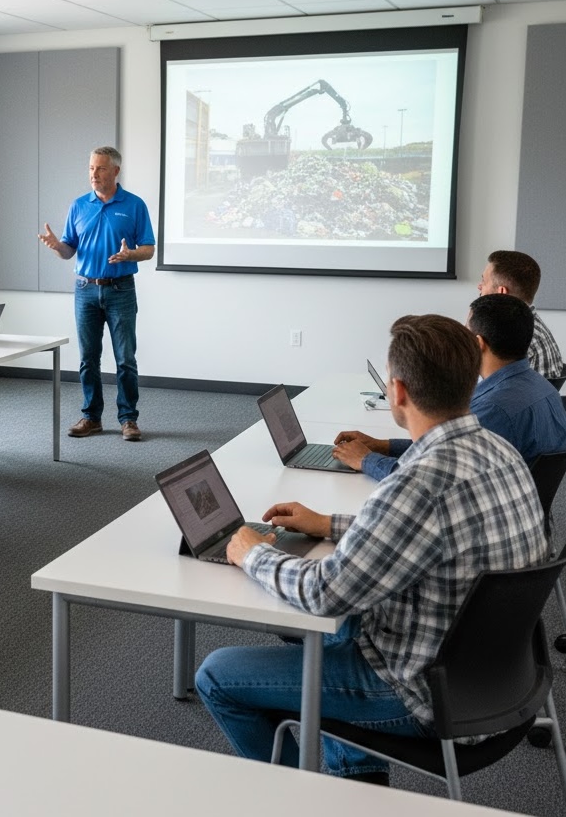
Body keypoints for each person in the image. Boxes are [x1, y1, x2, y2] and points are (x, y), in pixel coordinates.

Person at [196, 314, 548, 783]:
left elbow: (325, 593)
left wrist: (250, 552)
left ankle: (285, 797)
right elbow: (416, 532)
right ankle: (359, 786)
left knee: (217, 674)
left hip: (420, 693)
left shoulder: (418, 483)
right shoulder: (502, 453)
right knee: (330, 633)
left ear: (398, 392)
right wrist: (326, 524)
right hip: (501, 679)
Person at [334, 294, 566, 479]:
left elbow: (422, 479)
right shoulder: (540, 387)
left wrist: (366, 460)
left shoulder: (494, 409)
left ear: (477, 343)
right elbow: (444, 447)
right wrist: (382, 446)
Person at [38, 145, 155, 442]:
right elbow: (69, 250)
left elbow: (149, 249)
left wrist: (131, 255)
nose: (94, 174)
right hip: (85, 290)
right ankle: (91, 417)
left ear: (115, 171)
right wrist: (56, 247)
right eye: (91, 168)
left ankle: (128, 419)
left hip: (120, 289)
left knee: (125, 357)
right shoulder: (79, 205)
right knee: (88, 358)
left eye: (101, 168)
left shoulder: (134, 205)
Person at [478, 249, 563, 379]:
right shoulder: (526, 328)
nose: (479, 286)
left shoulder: (515, 336)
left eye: (484, 281)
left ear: (501, 292)